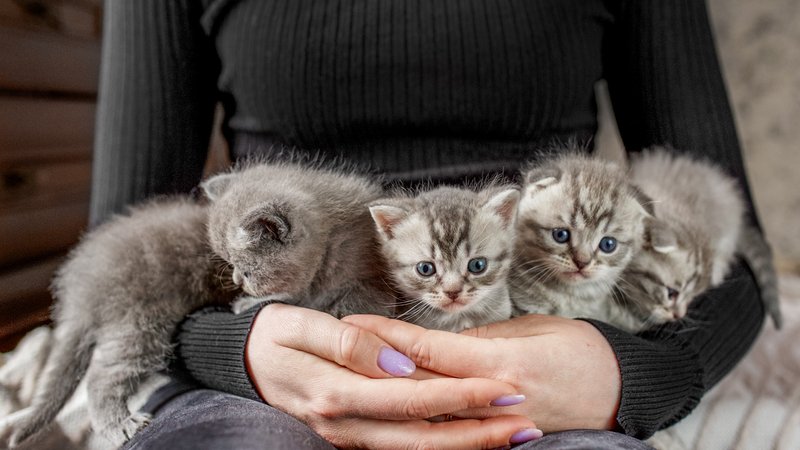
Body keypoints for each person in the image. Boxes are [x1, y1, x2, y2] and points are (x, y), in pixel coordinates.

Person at [89, 1, 769, 449]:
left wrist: (633, 372)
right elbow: (124, 254)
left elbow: (737, 250)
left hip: (537, 365)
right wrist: (235, 351)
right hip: (276, 357)